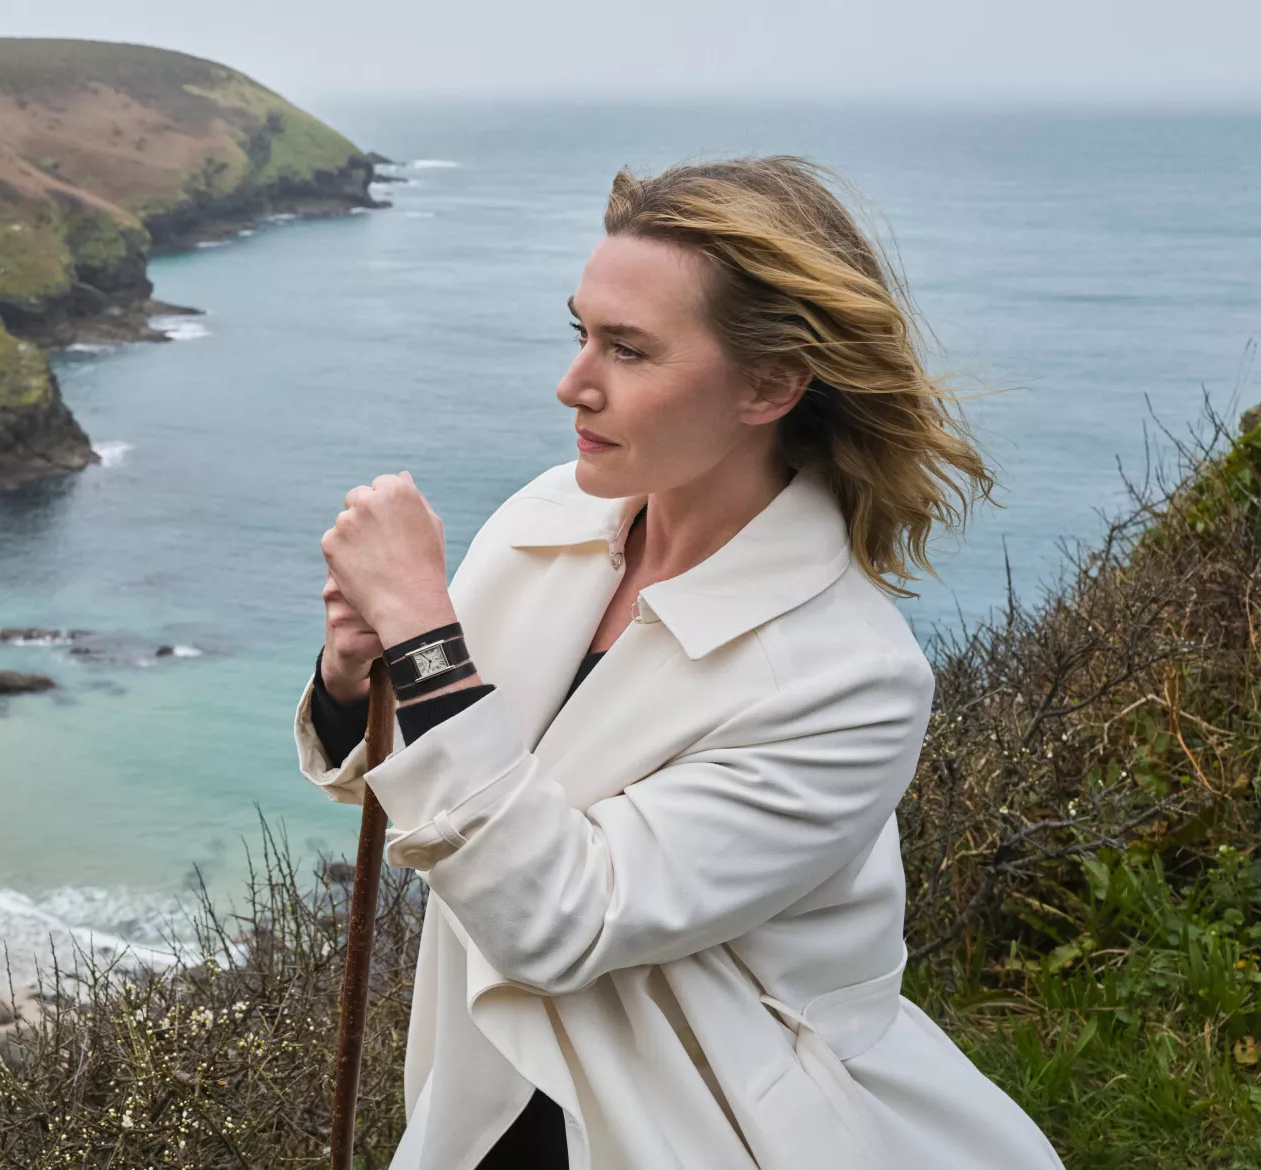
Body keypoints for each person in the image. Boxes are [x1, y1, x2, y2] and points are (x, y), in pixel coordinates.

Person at [295, 157, 1064, 1170]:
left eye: (629, 349)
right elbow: (447, 801)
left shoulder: (851, 680)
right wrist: (358, 680)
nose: (572, 382)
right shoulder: (544, 519)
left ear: (771, 385)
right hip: (479, 1105)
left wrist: (425, 635)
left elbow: (558, 920)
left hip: (695, 1132)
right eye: (579, 332)